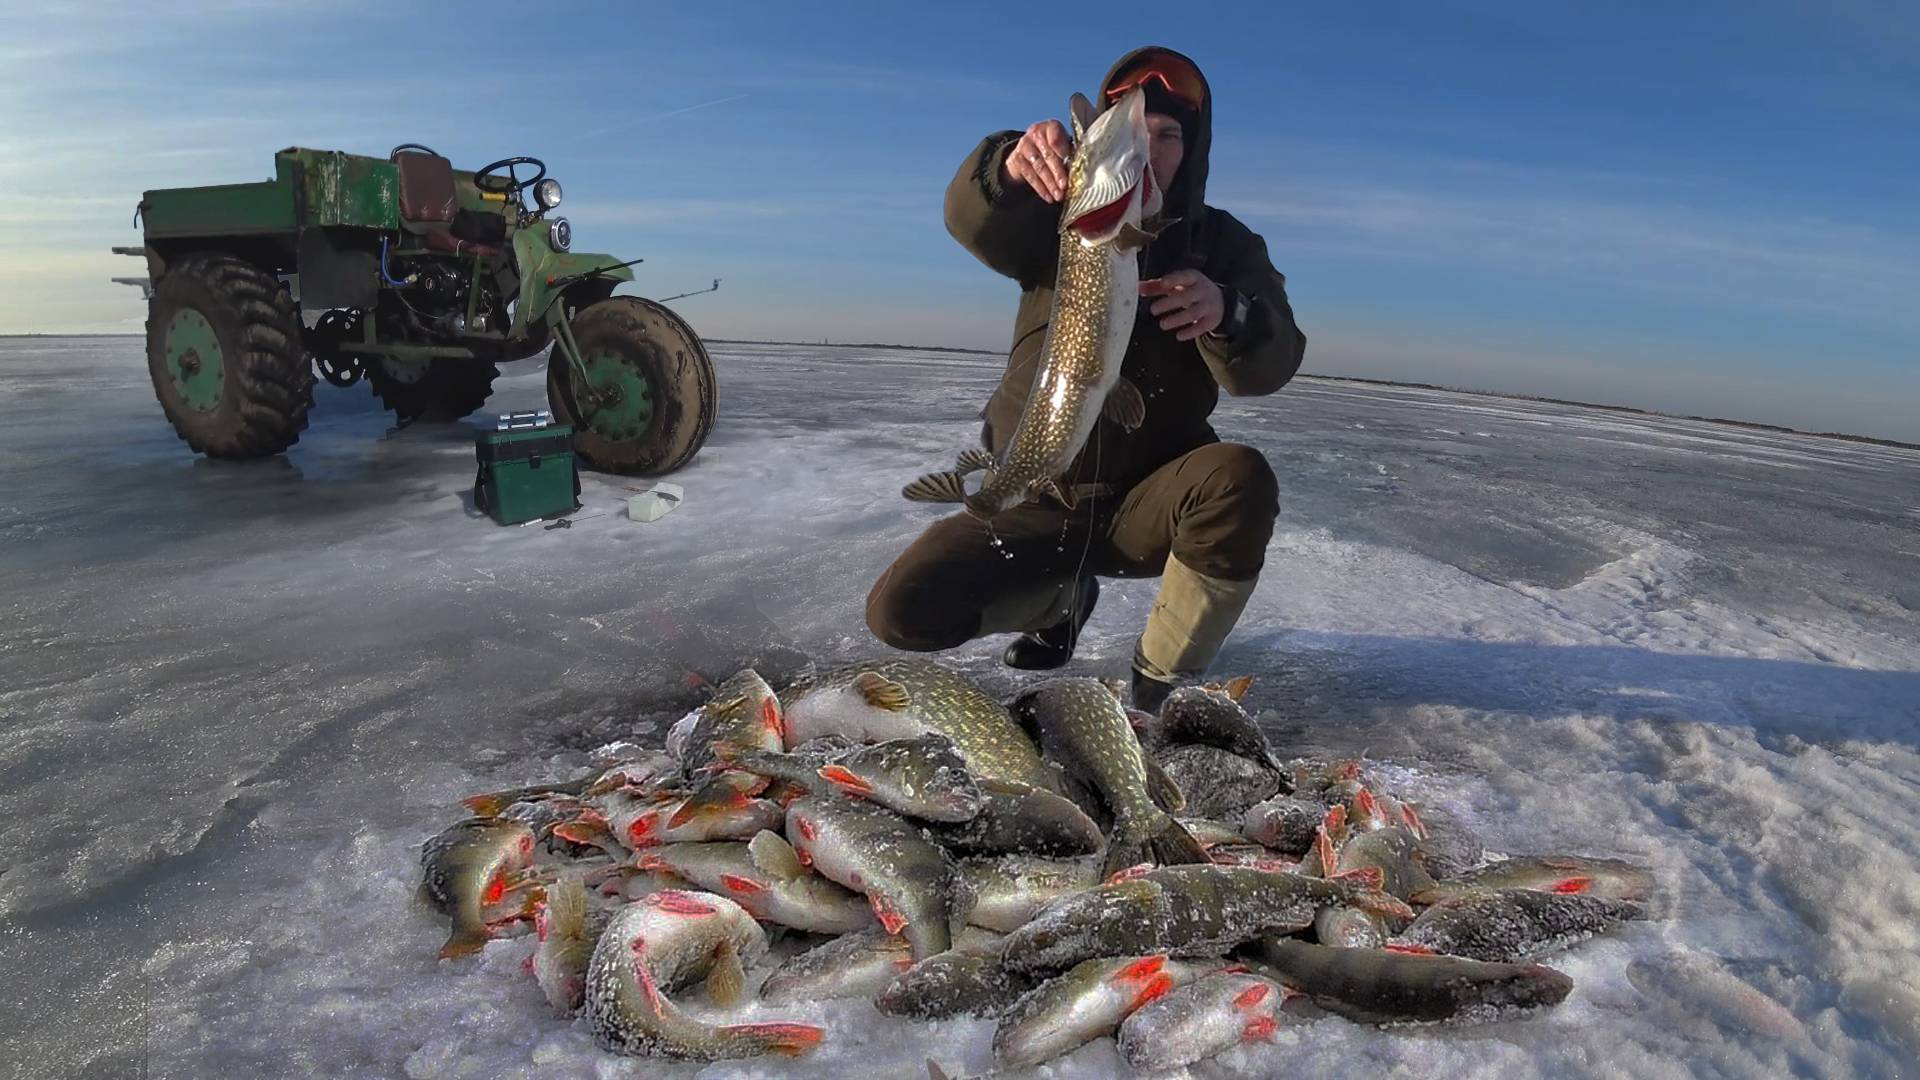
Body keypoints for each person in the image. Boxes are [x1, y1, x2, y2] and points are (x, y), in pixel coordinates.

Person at [865, 46, 1307, 712]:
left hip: (1144, 508)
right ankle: (1058, 605)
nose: (1147, 148)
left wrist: (1230, 311)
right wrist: (1008, 167)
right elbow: (972, 218)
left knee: (1238, 479)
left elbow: (1275, 360)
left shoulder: (1225, 245)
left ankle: (1161, 682)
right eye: (1133, 133)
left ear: (1192, 151)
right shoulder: (1056, 215)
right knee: (901, 610)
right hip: (1038, 492)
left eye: (1167, 135)